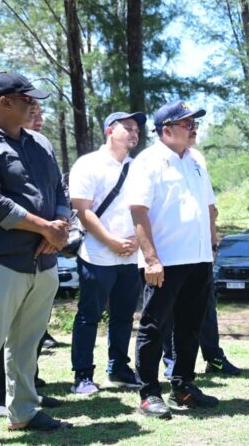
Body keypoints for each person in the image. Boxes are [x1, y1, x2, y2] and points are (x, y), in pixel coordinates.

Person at [0, 73, 73, 445]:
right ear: (2, 102)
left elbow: (59, 188)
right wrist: (44, 228)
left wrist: (59, 225)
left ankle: (24, 411)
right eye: (26, 98)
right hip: (0, 260)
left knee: (27, 343)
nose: (34, 104)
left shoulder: (41, 143)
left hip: (43, 263)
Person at [127, 100, 220, 419]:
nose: (194, 128)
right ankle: (149, 392)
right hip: (164, 262)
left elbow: (209, 205)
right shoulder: (148, 161)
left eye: (195, 123)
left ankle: (182, 385)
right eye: (187, 123)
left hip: (198, 259)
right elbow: (139, 211)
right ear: (166, 131)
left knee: (190, 325)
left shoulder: (196, 159)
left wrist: (212, 240)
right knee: (154, 326)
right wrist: (150, 259)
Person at [68, 111, 147, 395]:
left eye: (136, 129)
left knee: (124, 316)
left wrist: (138, 242)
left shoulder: (137, 167)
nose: (134, 133)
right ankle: (83, 375)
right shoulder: (88, 164)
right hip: (97, 255)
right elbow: (83, 210)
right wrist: (111, 240)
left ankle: (119, 368)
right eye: (127, 128)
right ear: (109, 131)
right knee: (89, 316)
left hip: (129, 256)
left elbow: (144, 209)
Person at [161, 268, 244, 377]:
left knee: (206, 307)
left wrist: (213, 249)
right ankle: (172, 363)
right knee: (169, 310)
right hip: (168, 261)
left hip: (199, 259)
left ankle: (214, 359)